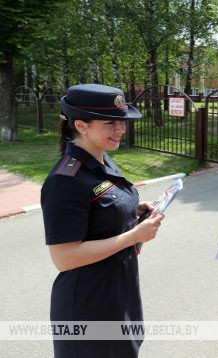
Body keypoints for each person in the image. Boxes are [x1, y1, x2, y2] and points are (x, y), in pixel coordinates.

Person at [41, 83, 165, 357]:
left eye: (121, 121)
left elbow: (102, 214)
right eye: (110, 123)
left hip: (119, 291)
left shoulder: (103, 159)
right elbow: (65, 258)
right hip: (88, 306)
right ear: (81, 126)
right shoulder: (65, 180)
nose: (120, 129)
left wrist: (133, 215)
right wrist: (133, 236)